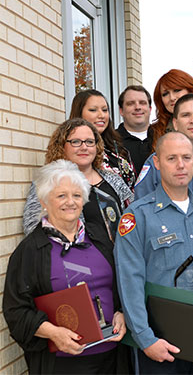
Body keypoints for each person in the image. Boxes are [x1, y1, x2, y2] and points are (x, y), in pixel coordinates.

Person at [4, 160, 127, 374]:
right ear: (44, 200)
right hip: (62, 363)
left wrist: (121, 312)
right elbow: (16, 310)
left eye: (77, 195)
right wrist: (53, 332)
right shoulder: (31, 251)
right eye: (61, 196)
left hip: (111, 357)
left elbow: (121, 284)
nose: (70, 202)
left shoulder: (100, 238)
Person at [115, 132, 193, 373]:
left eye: (186, 157)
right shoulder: (137, 216)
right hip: (159, 339)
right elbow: (129, 281)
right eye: (171, 158)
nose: (181, 165)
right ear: (156, 162)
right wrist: (145, 338)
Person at [23, 118, 134, 241]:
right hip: (73, 257)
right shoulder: (48, 181)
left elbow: (133, 216)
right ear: (61, 145)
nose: (84, 147)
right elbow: (32, 226)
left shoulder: (113, 179)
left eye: (90, 142)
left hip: (119, 257)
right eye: (76, 142)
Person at [70, 89, 136, 190]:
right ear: (79, 113)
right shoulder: (73, 149)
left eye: (105, 110)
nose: (101, 115)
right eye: (93, 110)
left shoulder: (116, 146)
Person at [116, 85, 154, 178]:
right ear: (121, 111)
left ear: (150, 109)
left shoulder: (164, 138)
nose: (137, 107)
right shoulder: (111, 141)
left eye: (142, 103)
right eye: (130, 103)